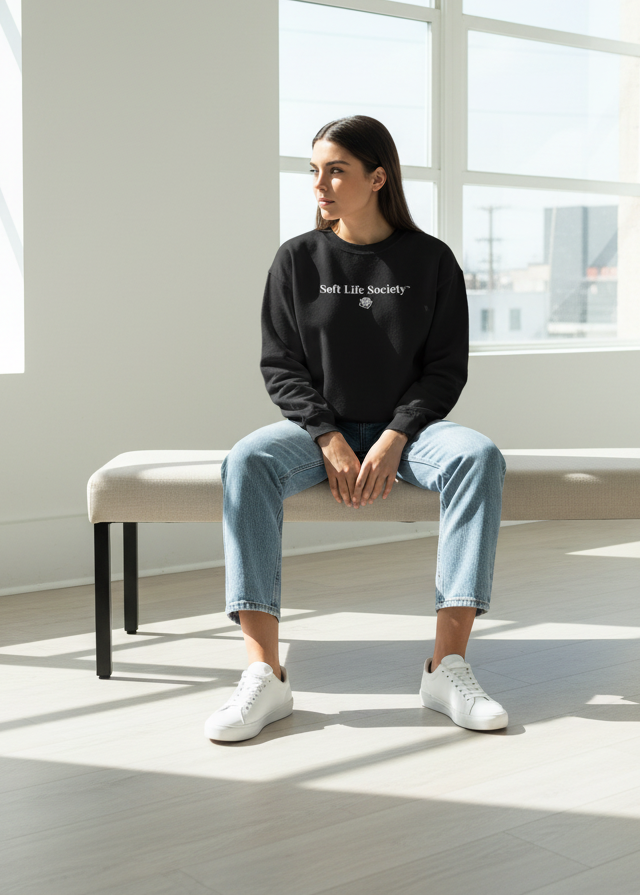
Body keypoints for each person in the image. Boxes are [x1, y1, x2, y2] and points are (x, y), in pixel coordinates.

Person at [204, 115, 508, 742]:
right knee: (247, 460)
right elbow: (281, 365)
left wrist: (396, 435)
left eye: (336, 170)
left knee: (478, 456)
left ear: (377, 177)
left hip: (414, 433)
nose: (321, 184)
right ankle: (265, 674)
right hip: (320, 432)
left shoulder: (431, 261)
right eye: (314, 171)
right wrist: (327, 435)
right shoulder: (297, 259)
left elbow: (446, 371)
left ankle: (446, 666)